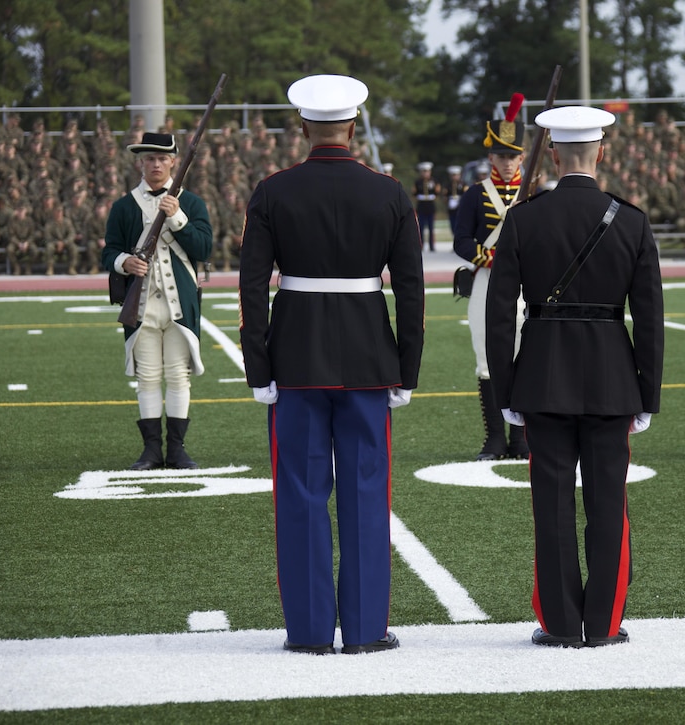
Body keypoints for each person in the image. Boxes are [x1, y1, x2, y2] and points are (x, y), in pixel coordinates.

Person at [238, 74, 424, 656]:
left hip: (295, 358)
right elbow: (411, 292)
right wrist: (407, 369)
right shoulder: (389, 192)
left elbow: (251, 288)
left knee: (299, 493)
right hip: (370, 358)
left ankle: (311, 631)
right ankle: (366, 629)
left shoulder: (273, 191)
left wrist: (258, 367)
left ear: (302, 126)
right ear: (355, 122)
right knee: (367, 492)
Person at [486, 105, 664, 648]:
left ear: (555, 154)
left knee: (551, 503)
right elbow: (650, 317)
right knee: (609, 504)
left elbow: (499, 314)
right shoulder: (630, 219)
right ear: (601, 153)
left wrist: (506, 387)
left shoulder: (524, 217)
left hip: (542, 378)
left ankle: (562, 624)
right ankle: (604, 624)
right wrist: (647, 393)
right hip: (613, 379)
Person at [102, 132, 213, 471]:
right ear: (141, 162)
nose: (155, 164)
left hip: (180, 304)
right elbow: (109, 251)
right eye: (149, 158)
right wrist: (125, 263)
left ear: (173, 162)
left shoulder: (191, 204)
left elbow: (204, 249)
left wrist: (177, 217)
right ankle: (151, 451)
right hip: (143, 305)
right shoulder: (123, 206)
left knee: (178, 376)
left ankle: (177, 450)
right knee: (148, 377)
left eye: (161, 158)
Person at [453, 94, 530, 461]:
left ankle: (520, 438)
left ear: (522, 158)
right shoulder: (474, 195)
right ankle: (495, 439)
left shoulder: (533, 195)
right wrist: (489, 259)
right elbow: (461, 241)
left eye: (513, 155)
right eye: (501, 155)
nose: (507, 161)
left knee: (524, 355)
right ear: (491, 158)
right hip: (486, 280)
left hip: (525, 284)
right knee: (486, 357)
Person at [412, 161, 439, 251]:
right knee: (421, 228)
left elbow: (437, 192)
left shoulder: (434, 181)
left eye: (427, 171)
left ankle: (432, 246)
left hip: (430, 206)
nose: (425, 173)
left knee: (431, 228)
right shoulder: (418, 182)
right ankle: (421, 245)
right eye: (424, 171)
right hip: (421, 207)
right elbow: (414, 193)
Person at [444, 165, 468, 232]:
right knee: (453, 226)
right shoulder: (448, 185)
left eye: (456, 175)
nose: (454, 177)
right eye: (453, 175)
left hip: (461, 208)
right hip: (452, 209)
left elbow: (466, 195)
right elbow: (445, 196)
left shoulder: (463, 184)